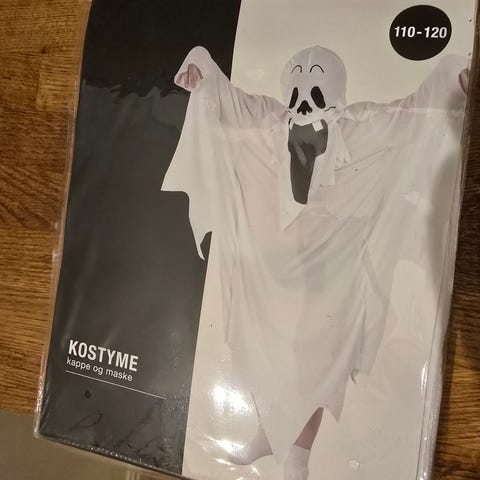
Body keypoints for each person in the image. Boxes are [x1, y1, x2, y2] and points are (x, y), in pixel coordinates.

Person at [164, 45, 469, 480]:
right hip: (269, 270)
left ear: (337, 92)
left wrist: (453, 70)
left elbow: (413, 111)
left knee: (316, 360)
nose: (304, 102)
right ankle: (267, 433)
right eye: (298, 89)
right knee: (257, 342)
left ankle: (298, 459)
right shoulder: (267, 119)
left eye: (317, 89)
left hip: (331, 274)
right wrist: (199, 65)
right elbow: (225, 94)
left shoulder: (361, 126)